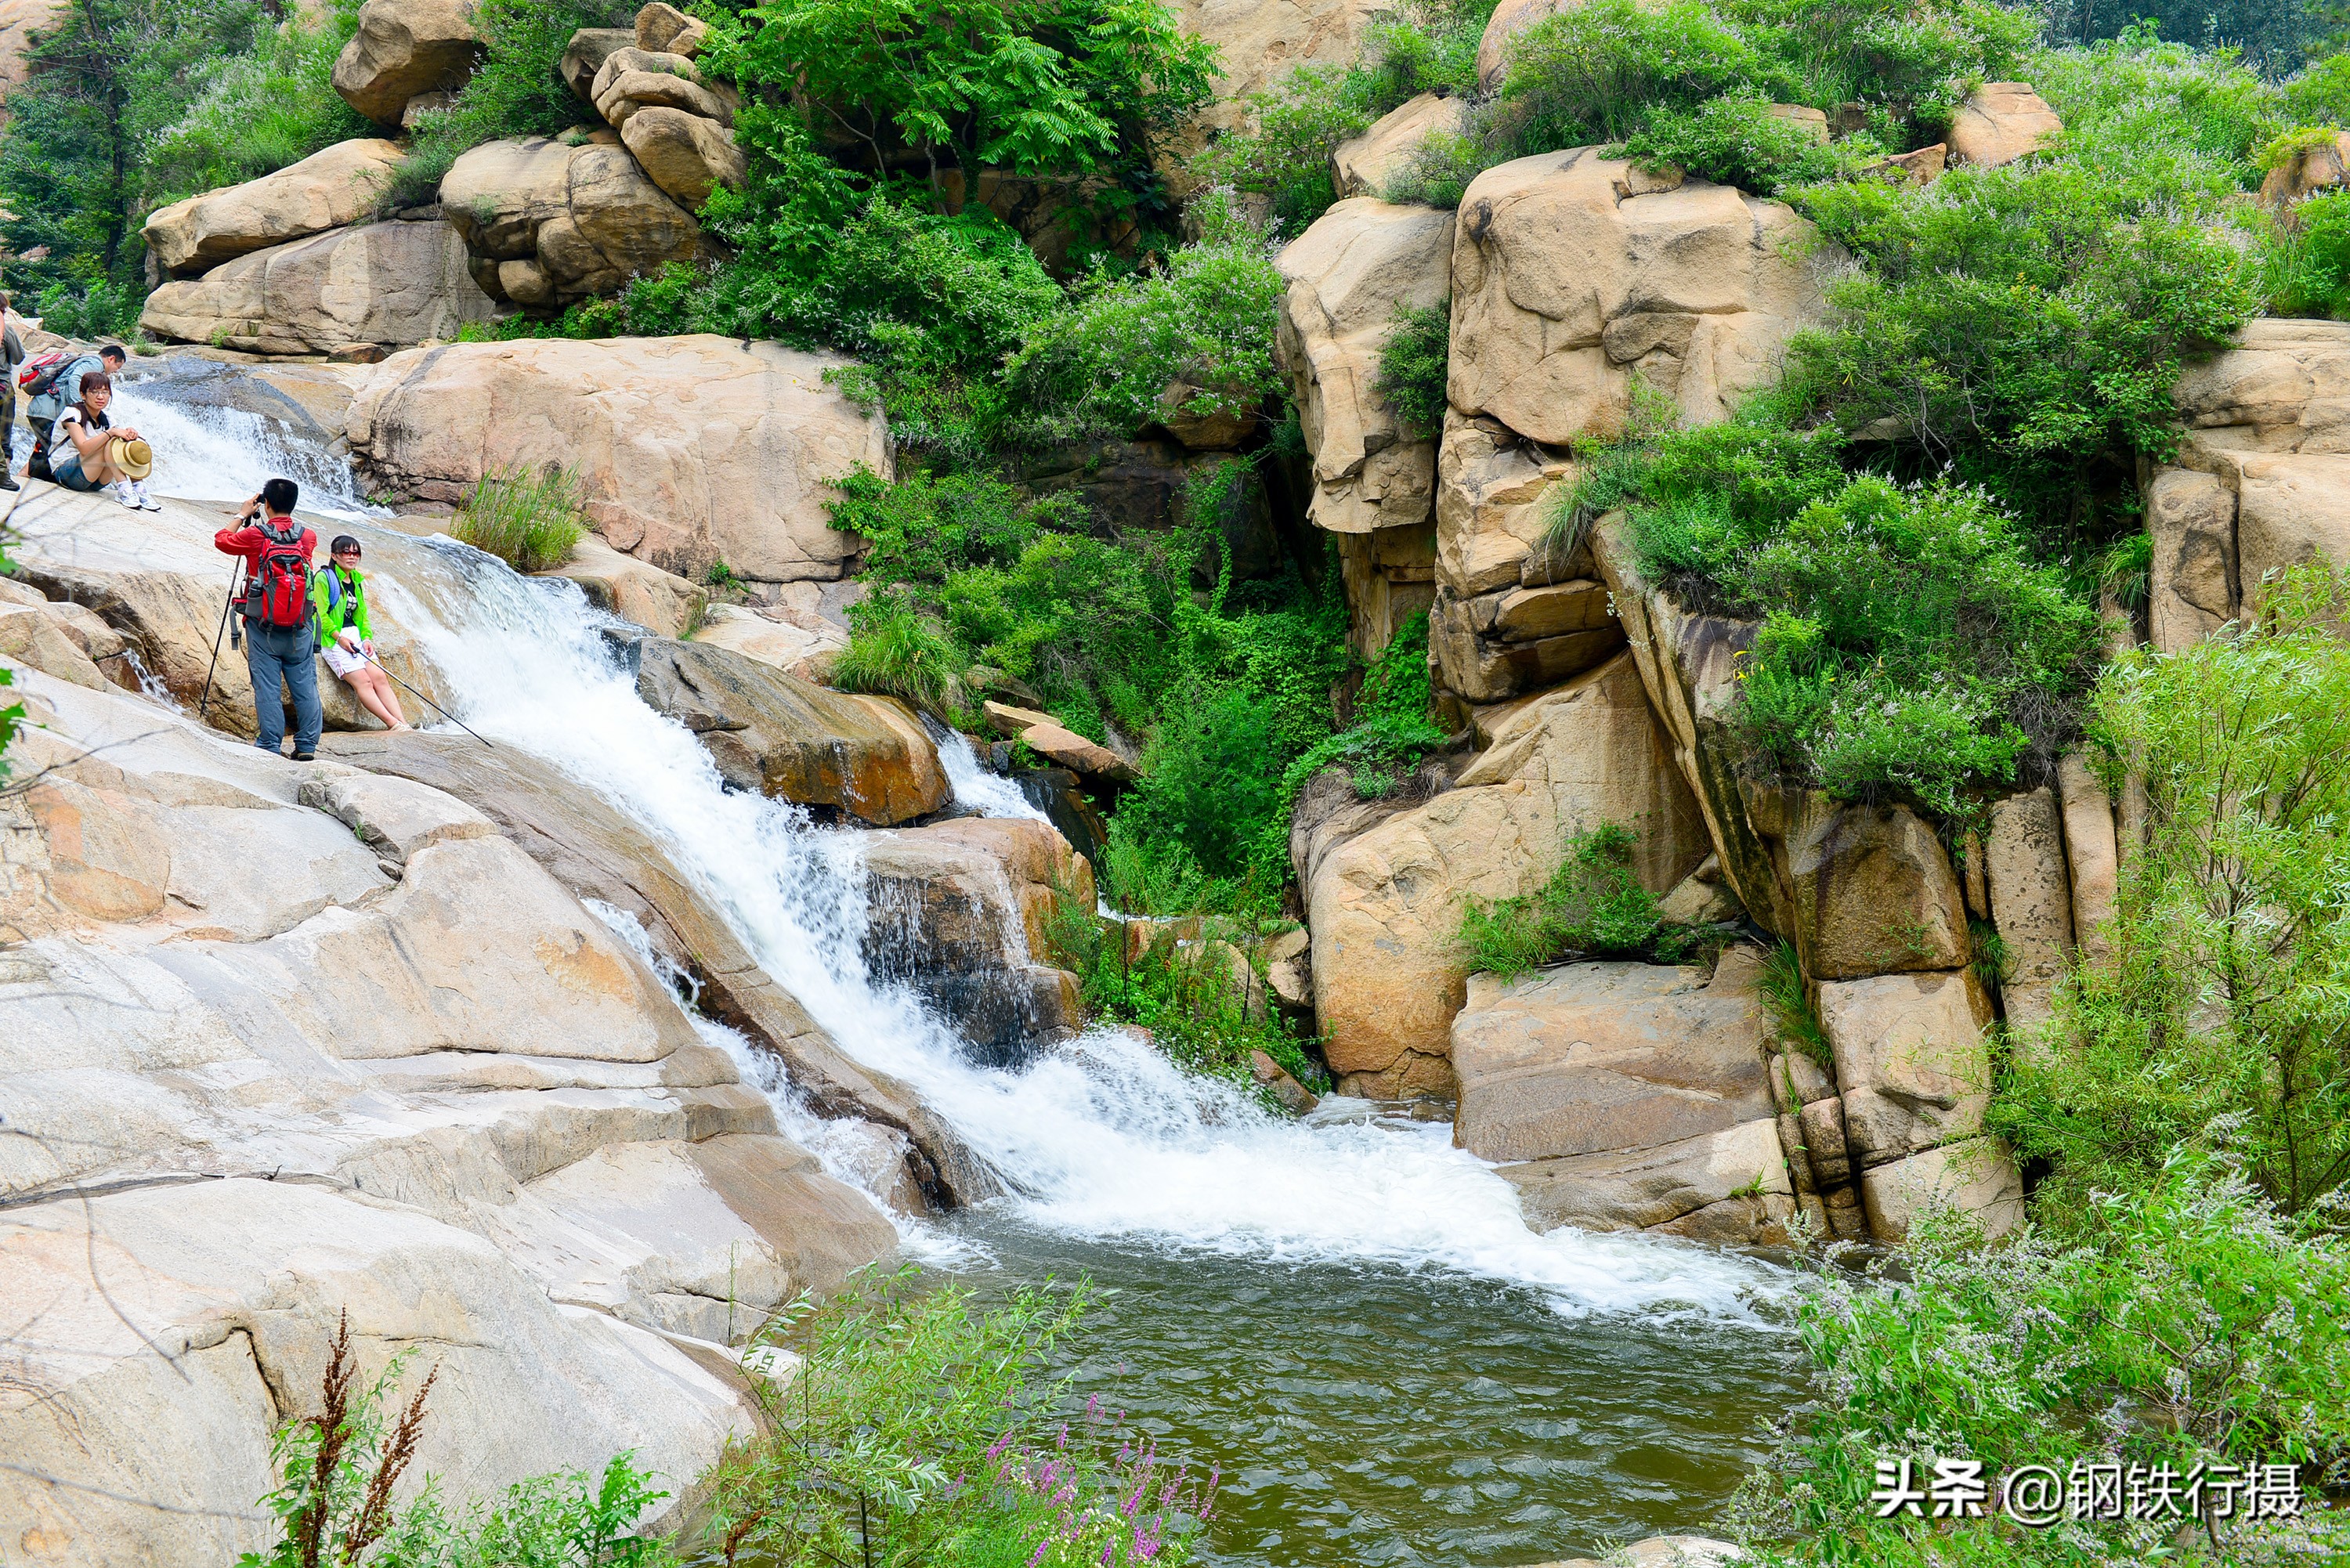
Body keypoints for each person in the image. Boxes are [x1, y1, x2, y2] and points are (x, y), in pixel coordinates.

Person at [215, 477, 322, 761]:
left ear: (267, 503)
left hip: (263, 625)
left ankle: (270, 744)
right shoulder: (307, 536)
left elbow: (221, 540)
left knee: (268, 686)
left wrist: (242, 514)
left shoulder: (256, 536)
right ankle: (307, 746)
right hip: (301, 623)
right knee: (305, 685)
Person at [313, 534, 408, 732]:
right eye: (346, 552)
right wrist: (339, 638)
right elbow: (321, 614)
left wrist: (366, 637)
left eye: (356, 553)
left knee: (379, 678)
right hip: (332, 639)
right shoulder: (324, 578)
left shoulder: (356, 580)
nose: (351, 556)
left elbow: (362, 614)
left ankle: (404, 724)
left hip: (355, 635)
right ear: (334, 555)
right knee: (364, 681)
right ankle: (392, 724)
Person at [51, 370, 157, 509]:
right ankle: (124, 489)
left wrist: (129, 434)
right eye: (94, 392)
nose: (100, 396)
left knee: (125, 443)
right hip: (67, 473)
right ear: (83, 394)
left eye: (105, 392)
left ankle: (139, 488)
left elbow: (118, 439)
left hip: (95, 481)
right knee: (111, 442)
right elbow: (84, 448)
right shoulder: (72, 413)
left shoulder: (107, 418)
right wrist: (111, 432)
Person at [25, 343, 125, 483]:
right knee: (47, 451)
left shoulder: (88, 360)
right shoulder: (95, 363)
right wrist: (82, 409)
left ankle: (23, 476)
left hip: (42, 408)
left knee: (44, 450)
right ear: (111, 359)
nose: (115, 371)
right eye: (117, 367)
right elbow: (75, 379)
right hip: (48, 410)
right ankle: (31, 477)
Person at [0, 296, 21, 493]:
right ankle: (4, 475)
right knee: (3, 434)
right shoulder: (5, 330)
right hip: (3, 387)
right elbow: (18, 357)